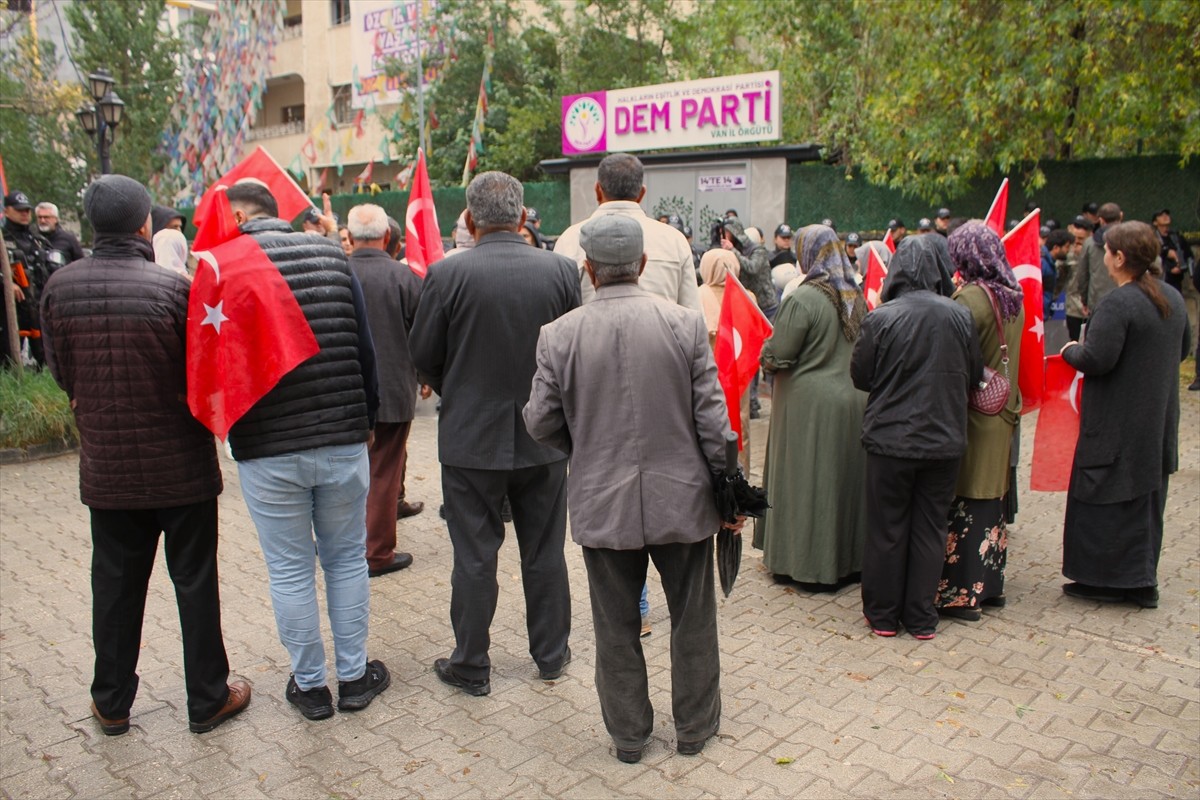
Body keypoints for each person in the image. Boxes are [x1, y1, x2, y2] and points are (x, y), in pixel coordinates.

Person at [523, 214, 739, 764]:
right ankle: (693, 728)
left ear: (588, 270)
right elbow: (714, 424)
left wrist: (587, 443)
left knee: (615, 626)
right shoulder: (684, 324)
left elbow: (539, 421)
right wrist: (727, 486)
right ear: (642, 265)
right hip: (684, 497)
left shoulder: (559, 334)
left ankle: (629, 737)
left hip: (601, 500)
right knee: (692, 617)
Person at [40, 174, 250, 736]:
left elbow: (62, 371)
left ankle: (111, 701)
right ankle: (207, 698)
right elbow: (204, 375)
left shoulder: (60, 287)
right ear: (144, 224)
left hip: (108, 470)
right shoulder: (175, 290)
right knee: (196, 582)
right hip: (180, 469)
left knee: (113, 585)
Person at [223, 181, 389, 721]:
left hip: (267, 446)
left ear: (242, 214)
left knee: (290, 570)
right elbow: (365, 346)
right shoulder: (328, 252)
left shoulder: (225, 266)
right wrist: (367, 418)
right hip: (341, 435)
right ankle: (355, 676)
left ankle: (312, 687)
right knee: (346, 560)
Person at [410, 171, 579, 697]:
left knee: (475, 555)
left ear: (468, 218)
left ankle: (471, 664)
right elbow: (573, 351)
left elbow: (422, 357)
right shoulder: (560, 271)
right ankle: (550, 655)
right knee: (545, 551)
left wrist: (455, 387)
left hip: (469, 438)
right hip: (545, 437)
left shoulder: (445, 276)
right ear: (523, 215)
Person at [851, 234, 982, 640]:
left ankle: (884, 617)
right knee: (930, 528)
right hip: (943, 441)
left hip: (891, 441)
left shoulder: (882, 317)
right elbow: (975, 376)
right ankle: (922, 618)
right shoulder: (960, 316)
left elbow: (861, 376)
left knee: (887, 528)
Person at [1059, 221, 1191, 608]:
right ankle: (1140, 581)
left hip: (1116, 423)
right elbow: (1182, 349)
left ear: (1119, 258)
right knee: (1147, 504)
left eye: (1108, 250)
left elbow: (1098, 358)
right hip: (1156, 419)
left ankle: (1105, 581)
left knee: (1107, 502)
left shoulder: (1118, 303)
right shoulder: (1172, 298)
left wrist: (1069, 350)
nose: (1103, 256)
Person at [756, 225, 869, 591]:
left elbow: (779, 354)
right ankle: (849, 562)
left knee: (806, 488)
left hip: (809, 410)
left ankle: (805, 565)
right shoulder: (856, 297)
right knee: (841, 485)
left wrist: (764, 354)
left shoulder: (804, 298)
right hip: (853, 403)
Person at [935, 222, 1025, 621]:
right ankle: (991, 586)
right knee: (993, 498)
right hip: (1004, 411)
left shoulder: (971, 298)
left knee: (967, 494)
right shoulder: (1013, 296)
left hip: (975, 412)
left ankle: (960, 592)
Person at [346, 203, 424, 577]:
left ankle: (345, 547)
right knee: (383, 473)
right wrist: (426, 376)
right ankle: (376, 553)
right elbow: (425, 335)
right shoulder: (405, 277)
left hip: (341, 394)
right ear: (388, 237)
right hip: (393, 389)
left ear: (348, 237)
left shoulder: (335, 274)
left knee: (346, 473)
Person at [554, 153, 700, 312]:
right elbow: (693, 314)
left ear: (597, 190)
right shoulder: (675, 240)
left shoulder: (569, 239)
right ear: (641, 193)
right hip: (662, 336)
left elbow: (559, 315)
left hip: (588, 335)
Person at [2, 190, 52, 364]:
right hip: (10, 306)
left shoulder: (37, 239)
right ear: (6, 210)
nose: (24, 214)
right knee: (8, 356)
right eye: (19, 210)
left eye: (27, 210)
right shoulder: (2, 238)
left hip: (37, 302)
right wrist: (7, 284)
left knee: (44, 357)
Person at [1072, 202, 1123, 322]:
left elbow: (1082, 275)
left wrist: (1084, 301)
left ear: (1100, 220)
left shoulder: (1089, 243)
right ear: (1121, 216)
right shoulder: (1130, 241)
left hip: (1096, 303)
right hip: (1125, 300)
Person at [1152, 209, 1192, 295]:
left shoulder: (1176, 236)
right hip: (1160, 281)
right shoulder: (1152, 238)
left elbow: (1188, 254)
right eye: (1161, 215)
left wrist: (1181, 267)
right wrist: (1169, 269)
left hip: (1176, 281)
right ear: (1155, 222)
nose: (1165, 216)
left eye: (1167, 214)